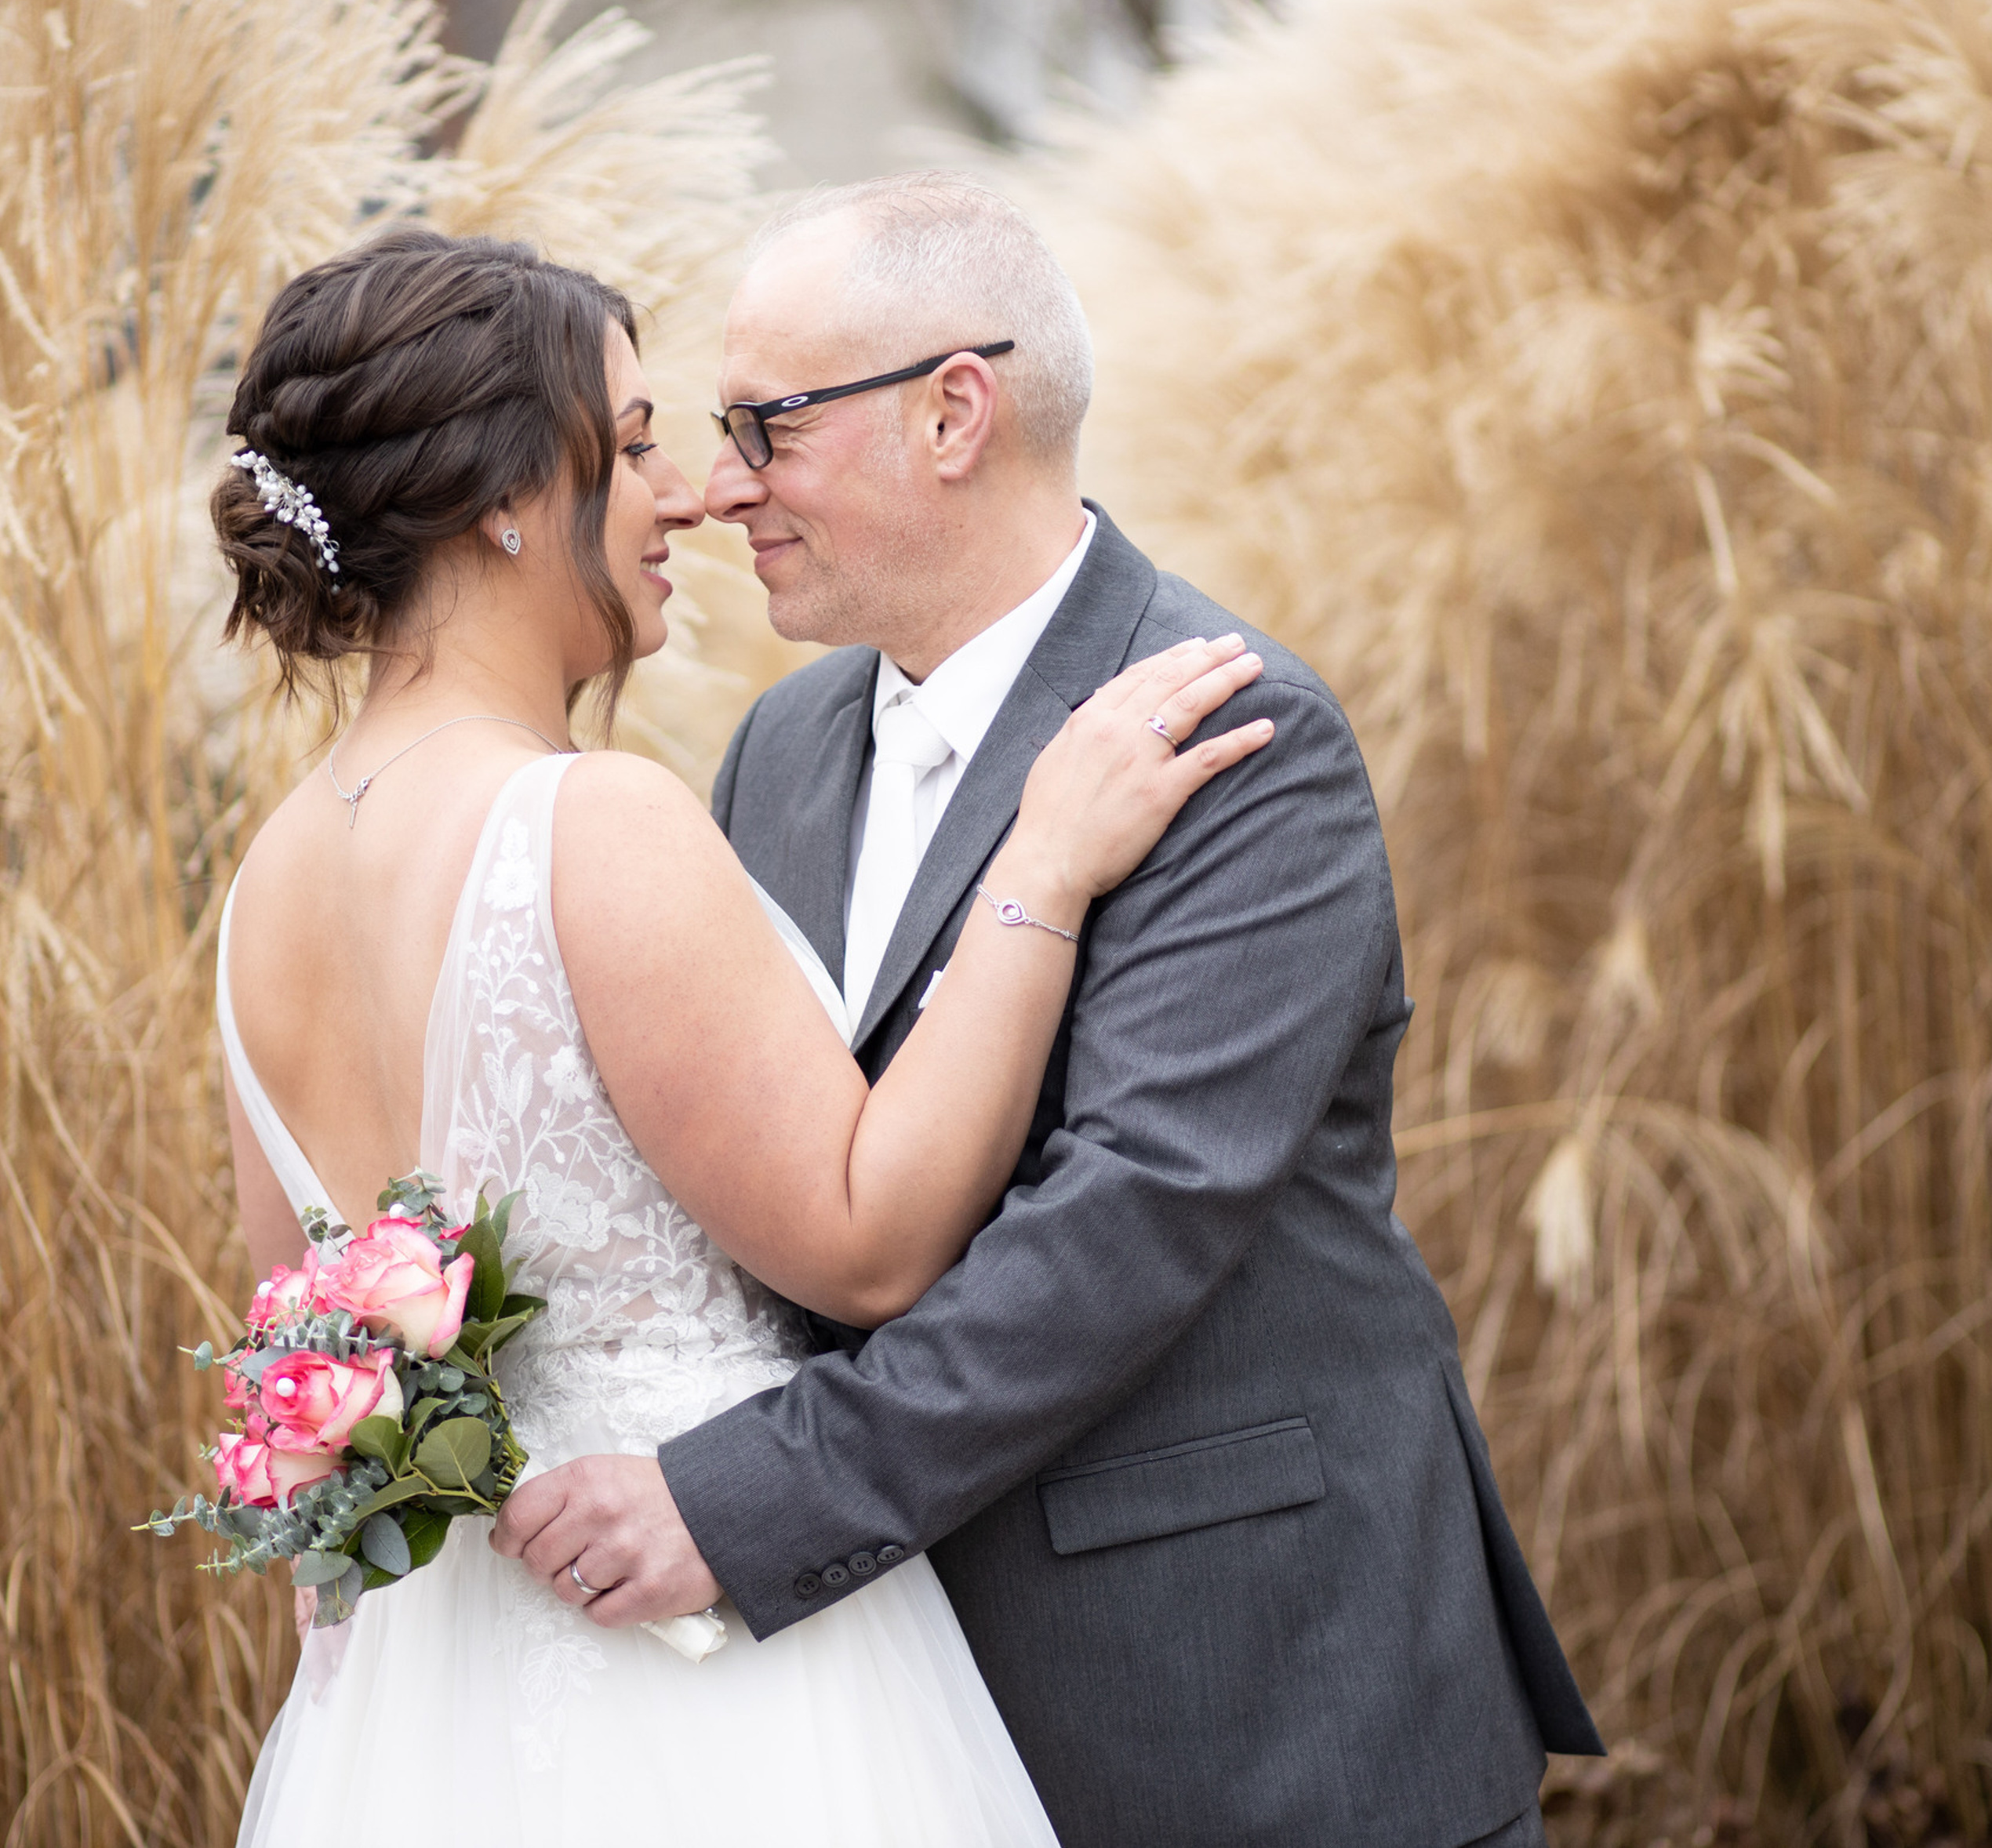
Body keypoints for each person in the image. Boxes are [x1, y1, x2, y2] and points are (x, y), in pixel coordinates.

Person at [501, 172, 1605, 1848]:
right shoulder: (779, 752)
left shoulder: (1232, 736)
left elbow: (1128, 1219)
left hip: (1242, 1686)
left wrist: (748, 1500)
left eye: (766, 427)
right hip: (892, 1714)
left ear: (954, 412)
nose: (721, 490)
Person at [211, 222, 1272, 1846]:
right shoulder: (588, 821)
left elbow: (307, 1334)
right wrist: (1042, 865)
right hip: (702, 1678)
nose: (687, 495)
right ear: (503, 499)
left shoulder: (267, 884)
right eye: (632, 446)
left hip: (440, 1690)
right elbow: (861, 1241)